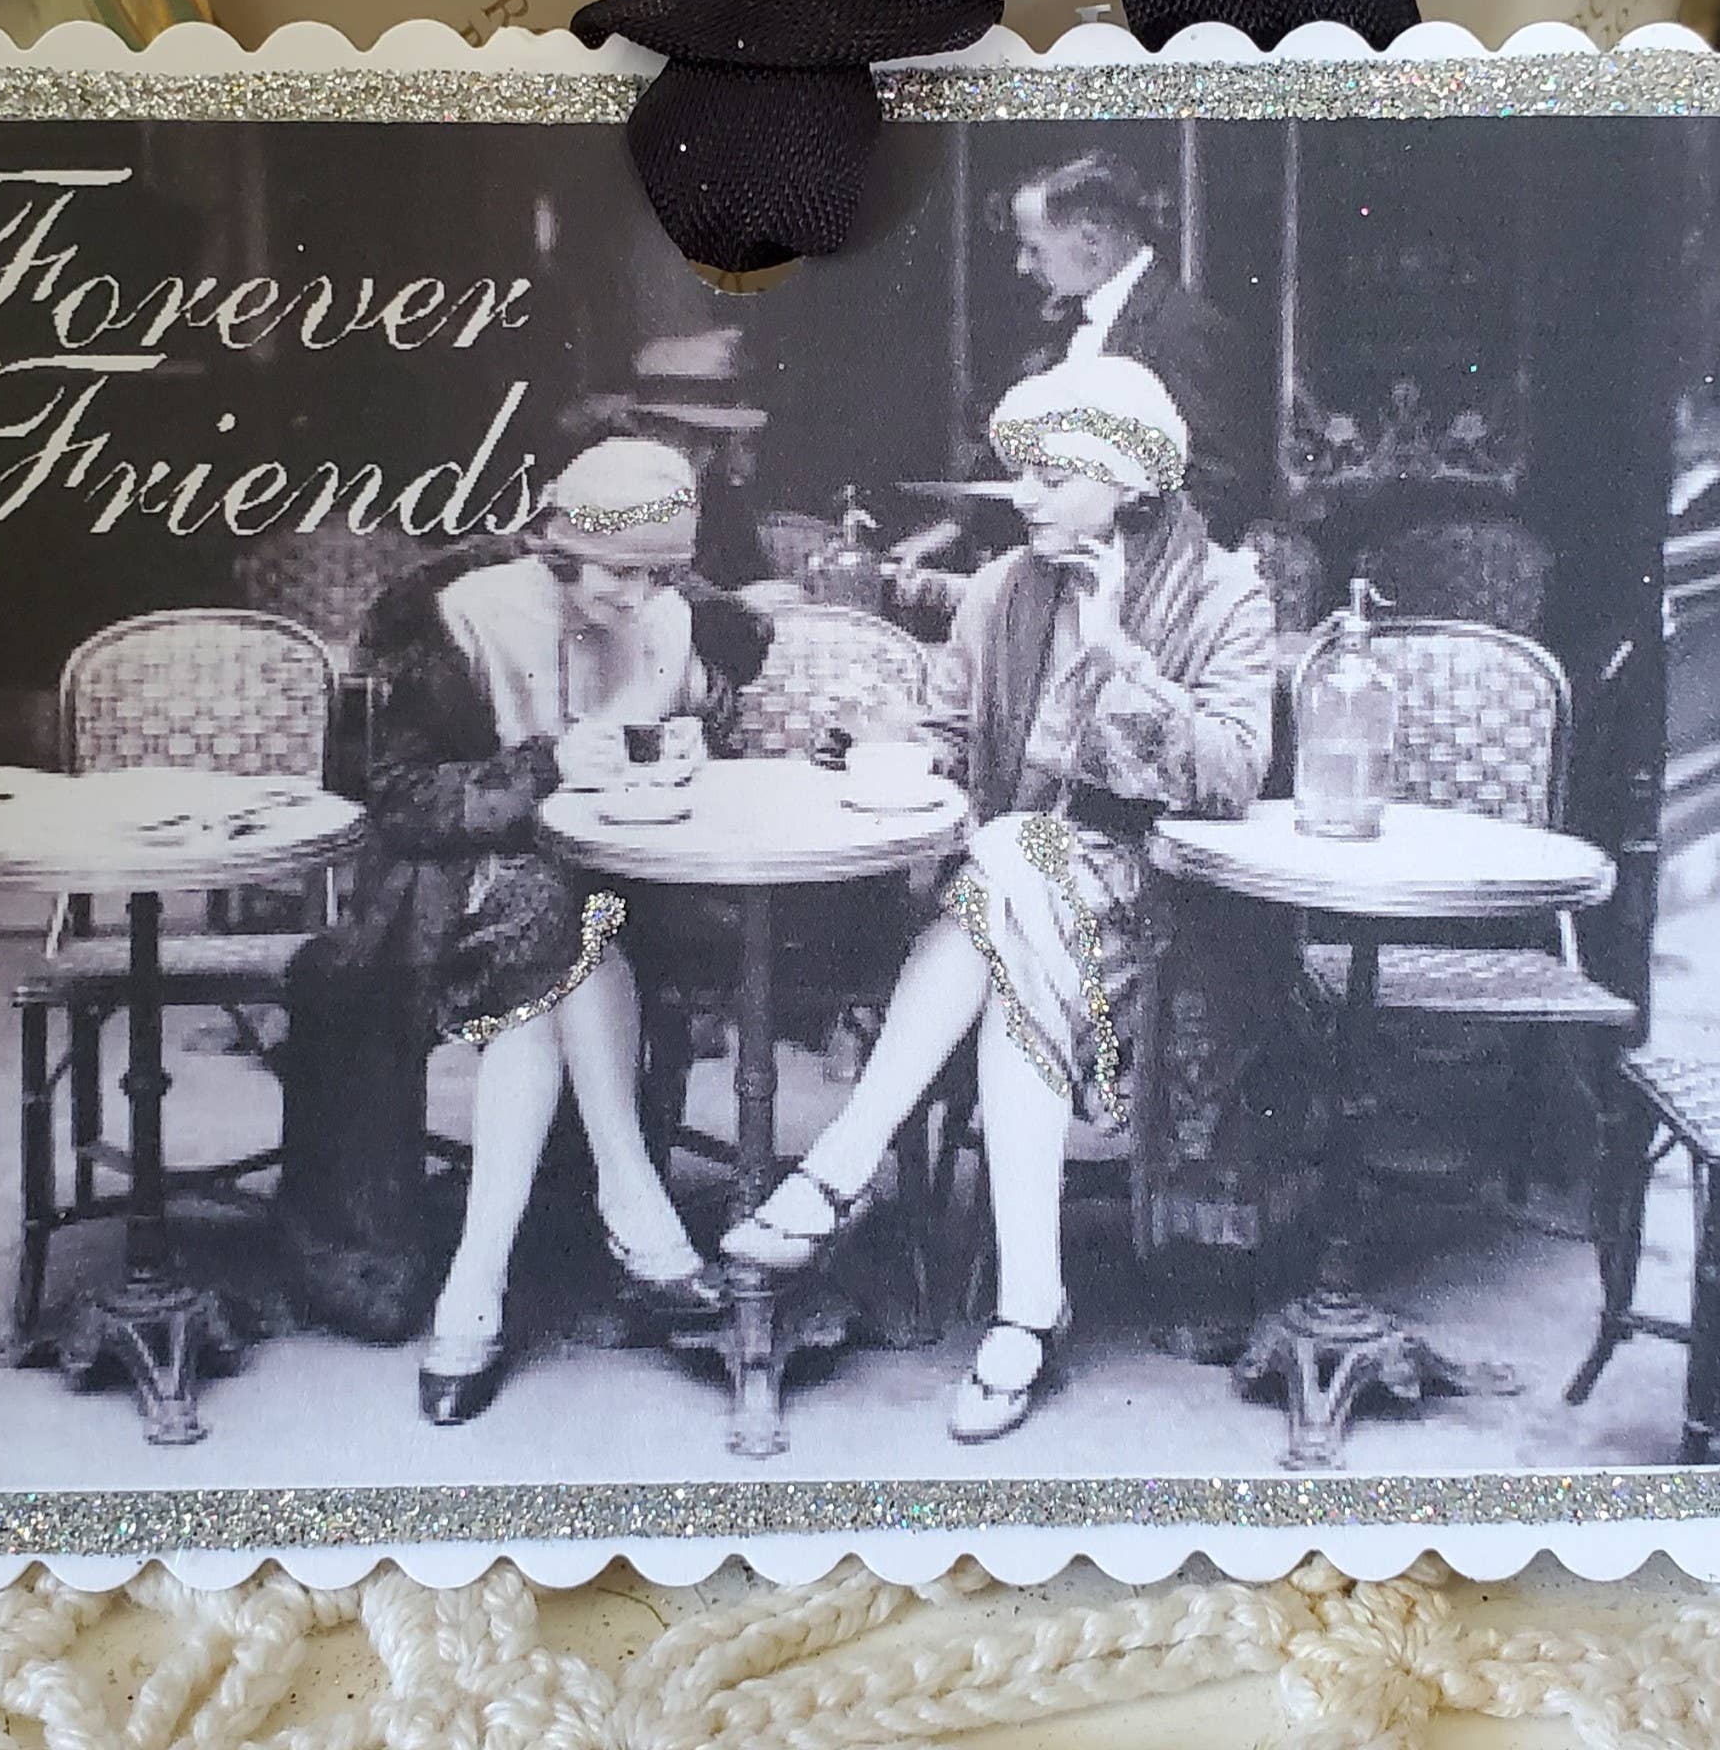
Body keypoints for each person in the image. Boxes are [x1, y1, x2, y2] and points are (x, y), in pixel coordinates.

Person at [722, 355, 1278, 1442]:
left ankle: (842, 1164)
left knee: (1005, 864)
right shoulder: (1000, 590)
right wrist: (885, 741)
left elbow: (1229, 775)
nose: (1020, 496)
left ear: (1130, 479)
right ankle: (1028, 1305)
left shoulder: (1224, 593)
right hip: (1018, 902)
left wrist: (1119, 656)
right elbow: (945, 735)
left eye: (1049, 477)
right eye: (1019, 472)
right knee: (1014, 904)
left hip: (1158, 906)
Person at [275, 436, 772, 1424]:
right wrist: (541, 768)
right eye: (615, 572)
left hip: (618, 890)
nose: (635, 596)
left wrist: (682, 746)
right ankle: (632, 1206)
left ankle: (477, 1286)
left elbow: (684, 734)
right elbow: (399, 801)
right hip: (448, 892)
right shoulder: (464, 617)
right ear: (560, 548)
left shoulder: (669, 614)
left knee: (566, 930)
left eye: (656, 575)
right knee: (561, 930)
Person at [1008, 152, 1263, 540]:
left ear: (1091, 240)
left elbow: (1217, 487)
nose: (1023, 266)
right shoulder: (1069, 326)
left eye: (1035, 249)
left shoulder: (1182, 328)